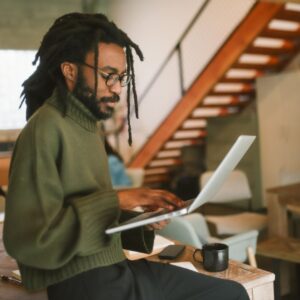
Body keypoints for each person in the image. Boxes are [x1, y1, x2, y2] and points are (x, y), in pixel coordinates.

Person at [3, 13, 249, 300]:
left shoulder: (87, 126)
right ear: (69, 70)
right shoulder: (44, 129)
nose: (118, 88)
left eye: (121, 77)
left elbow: (83, 214)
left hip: (113, 268)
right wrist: (119, 199)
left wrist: (136, 220)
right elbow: (26, 241)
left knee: (231, 292)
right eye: (108, 75)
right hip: (85, 285)